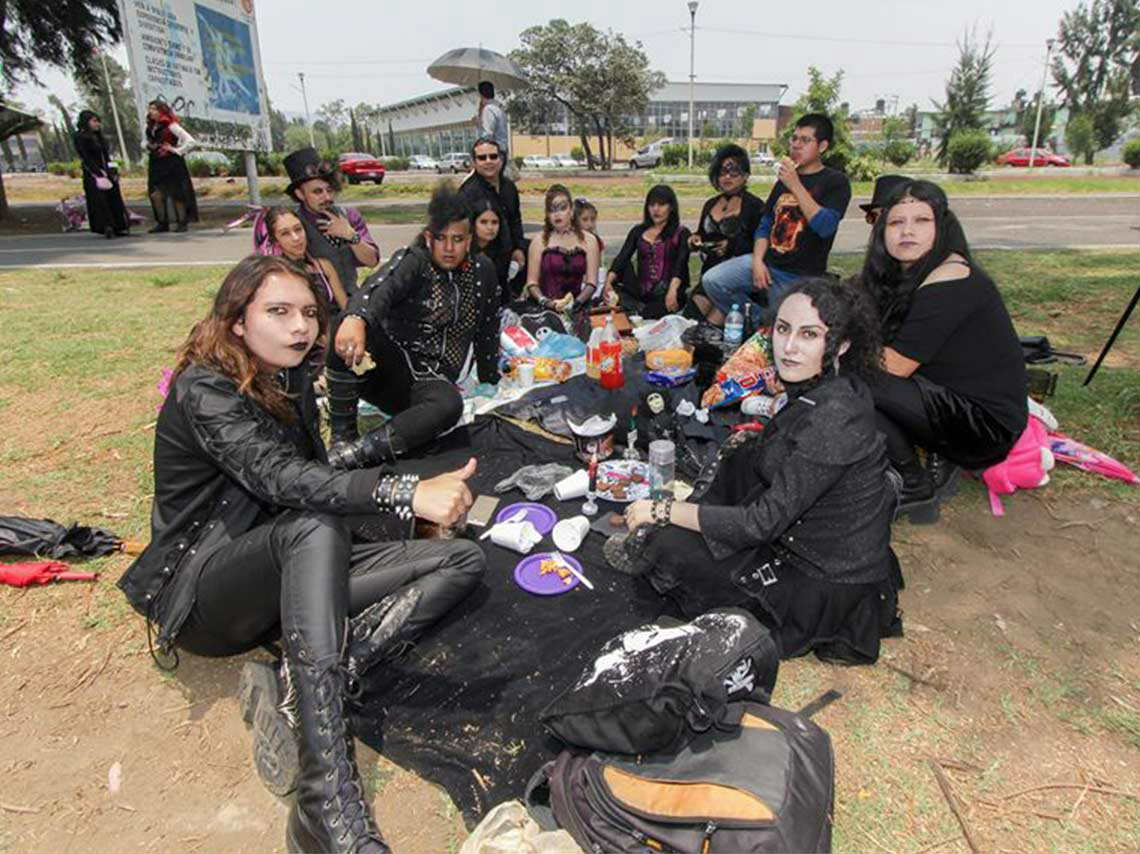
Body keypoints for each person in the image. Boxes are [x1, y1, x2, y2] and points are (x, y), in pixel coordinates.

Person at [117, 254, 485, 854]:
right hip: (207, 601)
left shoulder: (285, 378)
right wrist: (403, 488)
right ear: (237, 320)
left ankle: (304, 679)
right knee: (316, 523)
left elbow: (312, 476)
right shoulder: (204, 389)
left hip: (290, 569)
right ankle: (324, 802)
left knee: (460, 559)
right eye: (279, 312)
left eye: (310, 313)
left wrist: (412, 513)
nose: (301, 327)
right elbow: (283, 480)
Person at [614, 278, 902, 664]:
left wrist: (662, 509)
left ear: (842, 344)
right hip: (798, 537)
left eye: (809, 334)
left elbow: (760, 524)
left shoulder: (835, 417)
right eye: (783, 330)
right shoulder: (824, 388)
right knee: (740, 455)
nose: (789, 347)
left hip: (820, 576)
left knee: (668, 548)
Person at [858, 180, 1028, 517]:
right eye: (896, 222)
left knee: (853, 380)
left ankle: (913, 484)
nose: (907, 231)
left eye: (921, 221)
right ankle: (938, 454)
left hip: (987, 427)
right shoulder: (909, 273)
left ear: (942, 226)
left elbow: (894, 365)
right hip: (953, 401)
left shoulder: (949, 277)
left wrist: (826, 351)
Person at [325, 185, 502, 468]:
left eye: (457, 239)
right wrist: (356, 318)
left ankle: (358, 454)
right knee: (344, 324)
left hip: (430, 385)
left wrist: (490, 378)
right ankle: (342, 438)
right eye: (441, 238)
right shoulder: (414, 260)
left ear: (469, 240)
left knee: (450, 406)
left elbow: (489, 326)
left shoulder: (483, 271)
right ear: (429, 238)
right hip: (385, 372)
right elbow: (379, 288)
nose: (448, 248)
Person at [701, 114, 852, 323]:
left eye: (805, 140)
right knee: (713, 281)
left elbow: (825, 226)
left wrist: (795, 184)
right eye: (794, 138)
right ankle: (757, 320)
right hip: (768, 264)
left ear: (823, 146)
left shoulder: (835, 182)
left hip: (800, 276)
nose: (796, 145)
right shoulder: (783, 181)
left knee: (783, 328)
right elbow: (765, 224)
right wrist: (757, 261)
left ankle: (767, 325)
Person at [284, 147, 380, 296]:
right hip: (313, 304)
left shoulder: (349, 215)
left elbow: (372, 261)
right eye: (317, 192)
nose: (327, 197)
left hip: (351, 300)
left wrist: (350, 235)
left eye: (329, 190)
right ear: (300, 194)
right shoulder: (292, 224)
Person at [687, 144, 766, 319]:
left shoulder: (755, 207)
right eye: (721, 172)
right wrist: (694, 239)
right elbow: (702, 234)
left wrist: (731, 246)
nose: (726, 177)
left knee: (713, 330)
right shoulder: (710, 204)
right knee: (690, 320)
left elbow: (761, 245)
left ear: (745, 175)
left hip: (738, 283)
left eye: (733, 172)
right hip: (708, 276)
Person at [603, 184, 691, 319]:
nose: (656, 209)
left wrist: (672, 291)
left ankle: (638, 310)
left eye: (661, 205)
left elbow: (681, 265)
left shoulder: (681, 233)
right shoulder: (638, 231)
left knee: (651, 312)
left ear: (671, 207)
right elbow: (622, 257)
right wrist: (608, 283)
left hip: (668, 292)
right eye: (652, 205)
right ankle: (636, 308)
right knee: (621, 271)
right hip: (640, 292)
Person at [458, 137, 525, 301]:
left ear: (501, 159)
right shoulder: (468, 192)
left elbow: (515, 220)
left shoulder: (509, 187)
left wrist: (518, 248)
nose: (488, 161)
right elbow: (462, 231)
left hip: (507, 256)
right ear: (474, 162)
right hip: (482, 260)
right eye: (482, 157)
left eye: (493, 156)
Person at [523, 183, 600, 312]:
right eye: (552, 210)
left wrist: (576, 303)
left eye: (562, 208)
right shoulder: (539, 242)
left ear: (571, 210)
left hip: (578, 307)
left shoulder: (589, 241)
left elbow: (592, 282)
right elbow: (532, 283)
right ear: (547, 214)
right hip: (544, 309)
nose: (557, 214)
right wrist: (546, 302)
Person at [260, 206, 349, 311]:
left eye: (298, 229)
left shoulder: (324, 267)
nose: (296, 238)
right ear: (275, 241)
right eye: (285, 233)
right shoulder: (274, 275)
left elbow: (346, 307)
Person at [72, 110, 129, 239]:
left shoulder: (98, 137)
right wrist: (98, 172)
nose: (97, 124)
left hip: (106, 170)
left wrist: (111, 170)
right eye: (94, 121)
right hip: (93, 173)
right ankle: (106, 226)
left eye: (98, 121)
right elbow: (85, 157)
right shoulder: (80, 137)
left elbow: (106, 155)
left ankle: (118, 225)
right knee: (100, 200)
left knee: (113, 197)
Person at [144, 100, 199, 233]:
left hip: (172, 163)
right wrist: (148, 146)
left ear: (162, 111)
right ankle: (162, 223)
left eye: (155, 109)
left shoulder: (171, 125)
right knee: (155, 194)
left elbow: (191, 142)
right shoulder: (150, 127)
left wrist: (176, 150)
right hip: (156, 163)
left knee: (177, 193)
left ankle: (182, 222)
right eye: (150, 109)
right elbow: (144, 141)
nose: (152, 112)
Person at [474, 81, 509, 158]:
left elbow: (487, 135)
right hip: (502, 150)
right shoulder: (498, 108)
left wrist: (479, 125)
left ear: (481, 95)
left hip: (494, 152)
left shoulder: (488, 109)